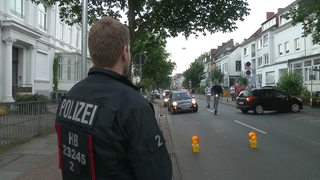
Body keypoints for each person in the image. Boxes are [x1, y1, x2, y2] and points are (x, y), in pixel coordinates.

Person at [55, 17, 172, 180]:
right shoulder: (134, 106)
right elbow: (158, 173)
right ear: (124, 52)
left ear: (92, 52)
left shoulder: (69, 97)